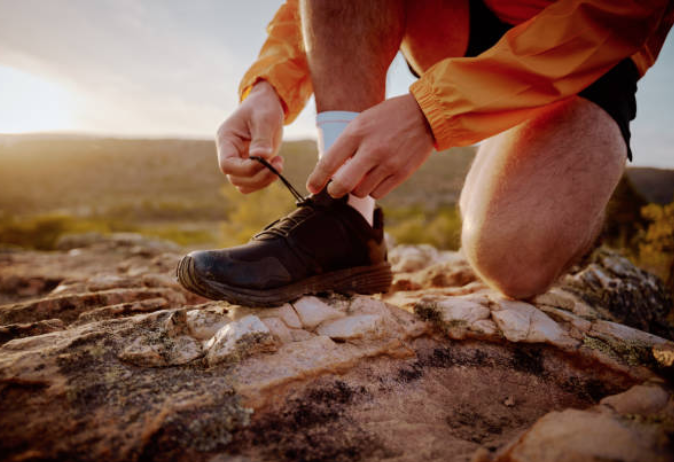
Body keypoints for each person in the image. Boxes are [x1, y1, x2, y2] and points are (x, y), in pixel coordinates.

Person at [177, 0, 673, 306]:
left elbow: (619, 9)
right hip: (445, 20)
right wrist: (270, 86)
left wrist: (432, 111)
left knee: (512, 261)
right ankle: (347, 219)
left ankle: (529, 148)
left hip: (585, 50)